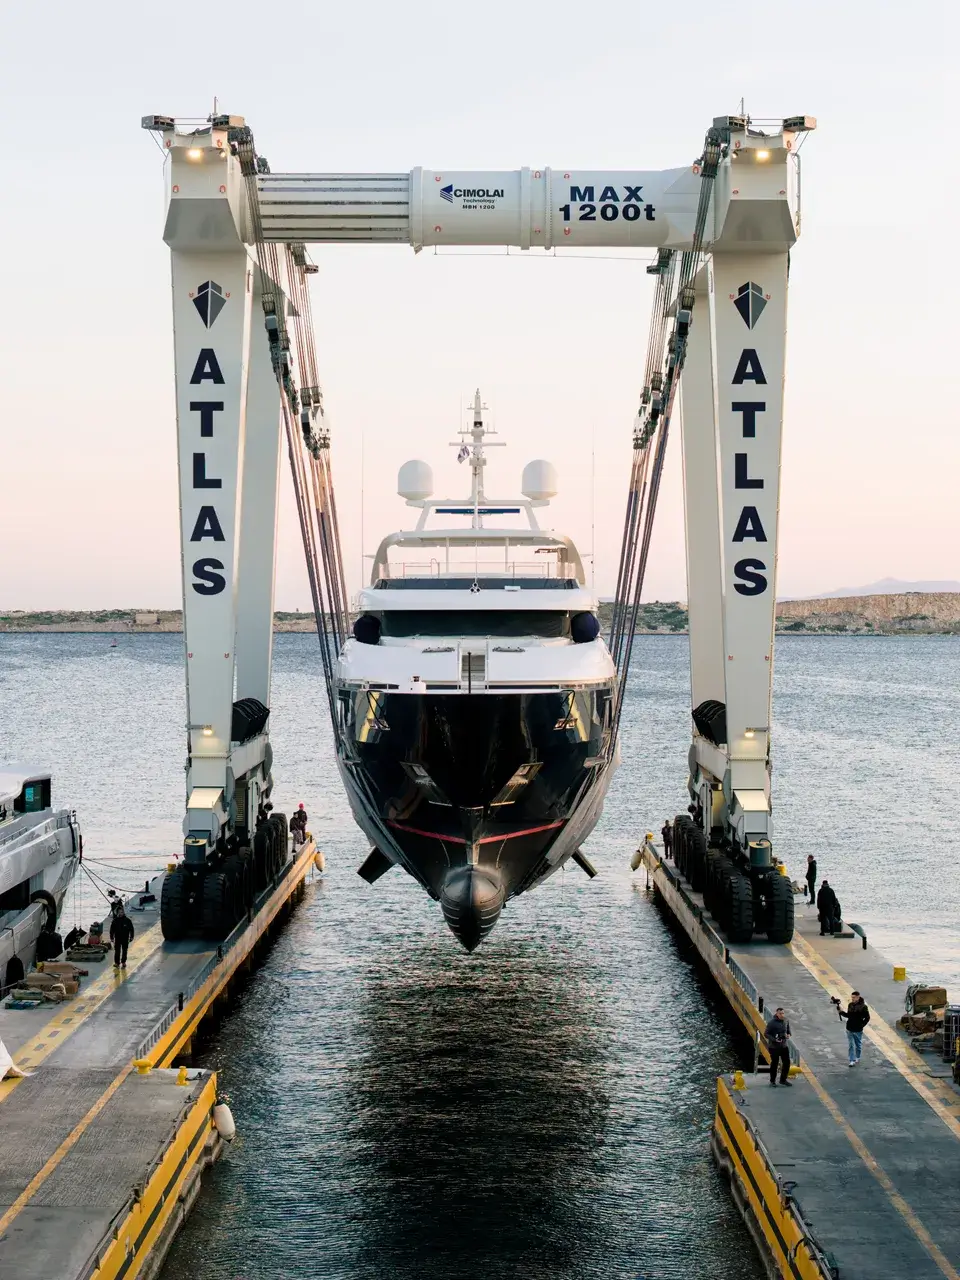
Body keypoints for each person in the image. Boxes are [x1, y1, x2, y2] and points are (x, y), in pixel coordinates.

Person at [837, 990, 870, 1066]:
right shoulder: (850, 1005)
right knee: (851, 1045)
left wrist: (861, 1025)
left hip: (858, 1029)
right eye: (852, 997)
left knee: (858, 1045)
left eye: (854, 997)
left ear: (858, 997)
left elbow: (867, 1018)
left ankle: (857, 1057)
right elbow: (848, 1015)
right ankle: (852, 1060)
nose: (852, 999)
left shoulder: (863, 1007)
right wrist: (841, 1012)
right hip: (849, 1028)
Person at [765, 1007, 793, 1086]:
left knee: (787, 1062)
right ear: (777, 1013)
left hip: (783, 1046)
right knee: (775, 1064)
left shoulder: (786, 1020)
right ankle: (772, 1081)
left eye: (783, 1013)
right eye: (780, 1013)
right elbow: (766, 1034)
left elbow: (788, 1029)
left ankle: (783, 1080)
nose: (782, 1015)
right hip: (774, 1047)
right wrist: (774, 1039)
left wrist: (788, 1034)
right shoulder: (771, 1023)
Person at [109, 905, 135, 969]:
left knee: (124, 951)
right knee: (117, 951)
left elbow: (131, 929)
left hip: (125, 938)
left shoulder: (127, 920)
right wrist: (112, 937)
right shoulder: (115, 921)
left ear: (123, 912)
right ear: (117, 913)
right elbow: (112, 930)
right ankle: (117, 963)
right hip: (117, 938)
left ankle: (123, 962)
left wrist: (131, 937)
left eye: (122, 912)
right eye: (119, 912)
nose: (121, 913)